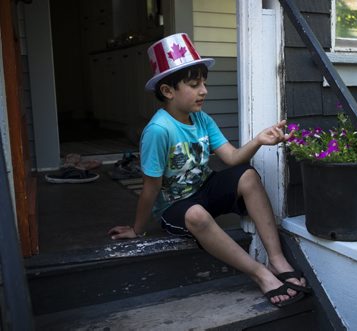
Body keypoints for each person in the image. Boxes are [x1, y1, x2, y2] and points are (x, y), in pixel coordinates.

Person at [108, 33, 310, 307]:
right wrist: (137, 228)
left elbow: (232, 158)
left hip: (203, 191)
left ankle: (276, 259)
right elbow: (151, 188)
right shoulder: (159, 130)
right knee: (197, 215)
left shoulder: (201, 118)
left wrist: (259, 140)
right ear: (168, 91)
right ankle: (260, 273)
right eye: (194, 84)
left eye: (204, 82)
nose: (204, 90)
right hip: (176, 208)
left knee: (248, 175)